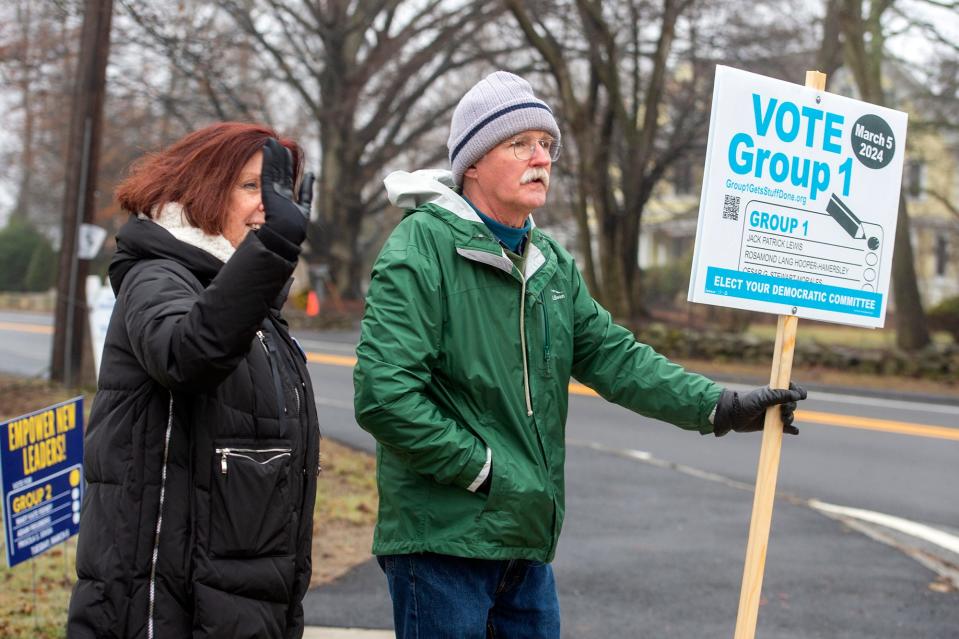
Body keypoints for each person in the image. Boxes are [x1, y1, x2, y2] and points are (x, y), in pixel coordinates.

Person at [352, 71, 807, 638]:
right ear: (472, 162)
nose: (540, 158)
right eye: (519, 144)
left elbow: (618, 359)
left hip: (524, 538)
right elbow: (384, 396)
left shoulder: (549, 262)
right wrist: (486, 472)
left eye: (546, 145)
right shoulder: (421, 246)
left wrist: (720, 406)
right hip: (443, 543)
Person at [67, 122, 320, 638]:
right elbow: (187, 356)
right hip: (163, 607)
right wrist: (271, 247)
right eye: (252, 187)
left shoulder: (255, 306)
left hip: (242, 604)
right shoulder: (157, 275)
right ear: (204, 186)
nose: (269, 207)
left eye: (278, 192)